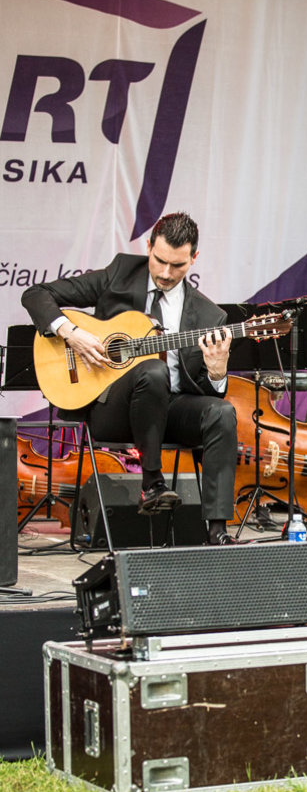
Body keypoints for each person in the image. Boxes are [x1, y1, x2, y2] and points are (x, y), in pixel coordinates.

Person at [22, 211, 238, 545]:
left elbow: (210, 391)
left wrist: (218, 371)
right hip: (114, 411)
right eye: (160, 260)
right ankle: (152, 483)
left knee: (221, 413)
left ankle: (217, 531)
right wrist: (72, 333)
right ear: (149, 246)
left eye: (178, 266)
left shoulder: (211, 316)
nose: (166, 274)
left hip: (171, 411)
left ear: (194, 258)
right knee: (152, 371)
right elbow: (36, 294)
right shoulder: (121, 274)